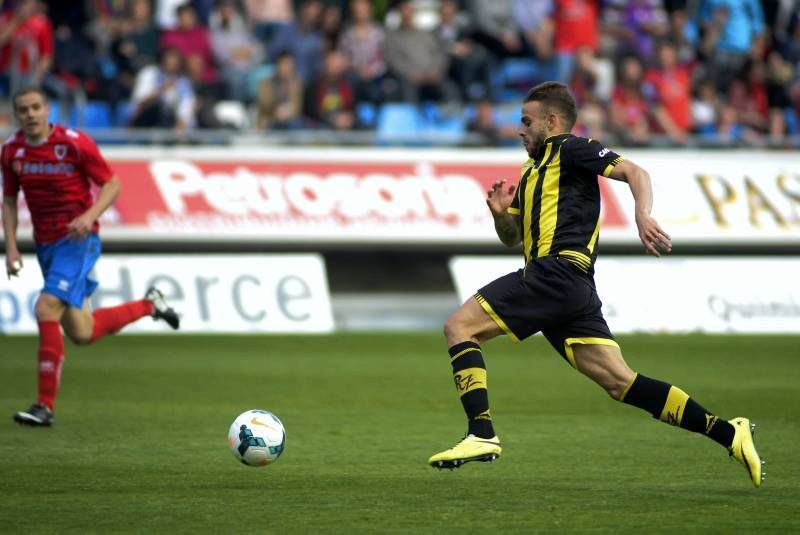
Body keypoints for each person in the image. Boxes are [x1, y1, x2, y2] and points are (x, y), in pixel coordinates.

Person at [427, 81, 764, 488]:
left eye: (526, 121)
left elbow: (635, 172)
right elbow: (511, 237)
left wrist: (642, 215)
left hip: (557, 273)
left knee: (459, 328)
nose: (520, 130)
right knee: (621, 383)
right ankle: (729, 433)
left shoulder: (570, 148)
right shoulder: (530, 169)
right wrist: (500, 214)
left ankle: (481, 433)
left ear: (552, 122)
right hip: (571, 289)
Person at [2, 87, 180, 428]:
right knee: (82, 332)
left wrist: (89, 216)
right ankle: (149, 305)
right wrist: (11, 246)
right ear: (16, 114)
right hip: (47, 246)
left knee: (45, 308)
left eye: (36, 107)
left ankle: (44, 406)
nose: (30, 114)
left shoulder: (73, 143)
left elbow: (112, 184)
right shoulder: (12, 151)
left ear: (47, 109)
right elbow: (9, 201)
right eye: (23, 109)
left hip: (79, 240)